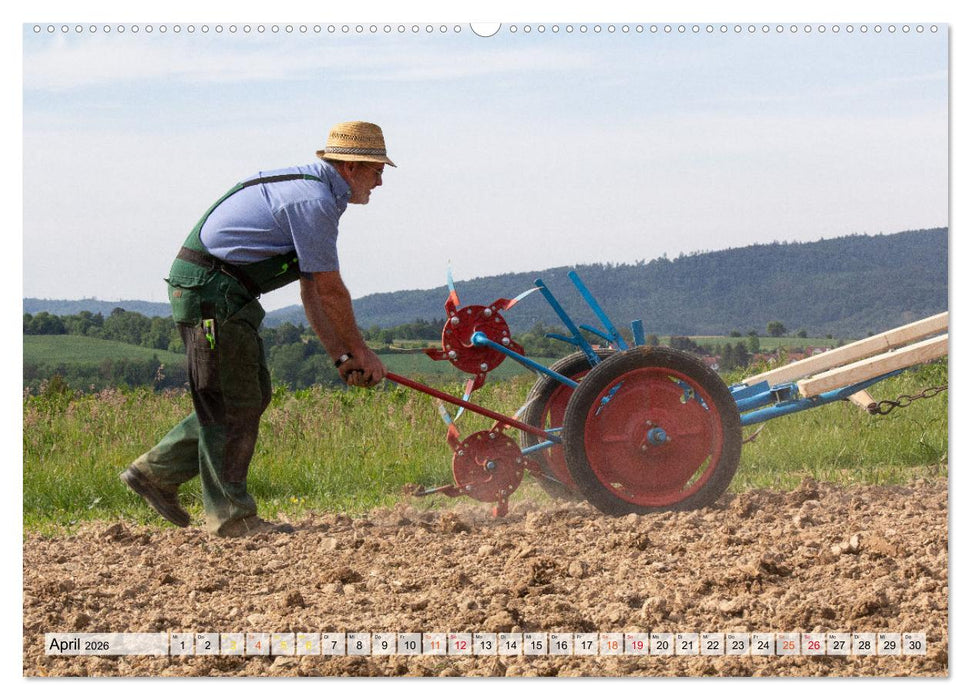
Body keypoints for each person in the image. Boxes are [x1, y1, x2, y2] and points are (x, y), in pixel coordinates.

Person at [120, 121, 391, 537]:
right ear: (352, 167)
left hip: (223, 293)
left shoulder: (317, 194)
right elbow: (331, 291)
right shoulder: (313, 201)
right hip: (212, 292)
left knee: (249, 394)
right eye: (376, 171)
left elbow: (311, 293)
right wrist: (364, 351)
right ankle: (232, 518)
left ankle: (155, 473)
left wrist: (342, 355)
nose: (380, 181)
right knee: (232, 400)